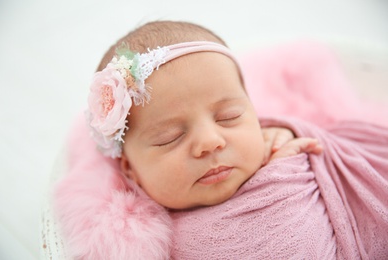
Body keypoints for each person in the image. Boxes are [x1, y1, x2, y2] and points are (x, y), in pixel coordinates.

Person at [54, 20, 388, 259]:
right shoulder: (149, 242)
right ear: (130, 170)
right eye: (170, 137)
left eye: (229, 117)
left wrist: (287, 145)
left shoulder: (285, 146)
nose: (210, 142)